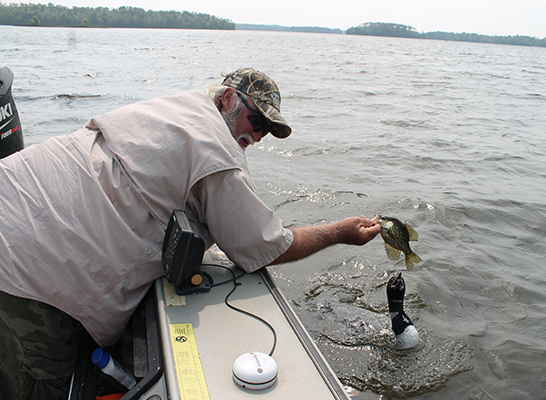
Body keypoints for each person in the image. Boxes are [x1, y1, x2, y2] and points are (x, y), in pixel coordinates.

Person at [0, 67, 381, 399]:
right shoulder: (218, 154)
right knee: (36, 384)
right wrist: (338, 232)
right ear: (228, 98)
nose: (259, 136)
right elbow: (266, 246)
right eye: (258, 122)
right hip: (32, 270)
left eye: (269, 130)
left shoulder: (176, 106)